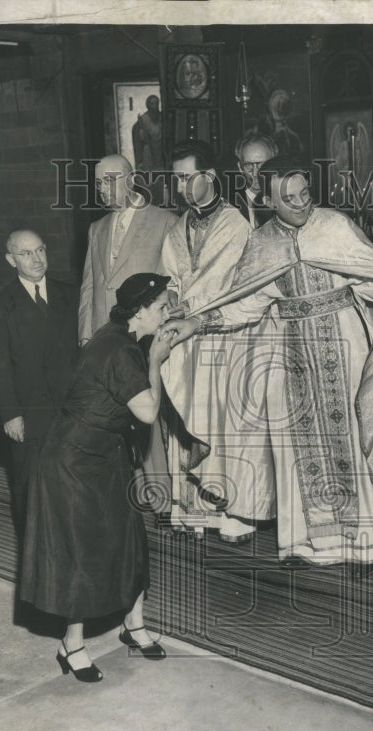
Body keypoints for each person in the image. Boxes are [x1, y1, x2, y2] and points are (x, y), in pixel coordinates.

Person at [165, 158, 373, 572]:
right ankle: (305, 543)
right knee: (294, 442)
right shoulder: (261, 243)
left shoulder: (333, 225)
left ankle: (363, 541)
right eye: (288, 199)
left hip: (344, 342)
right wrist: (196, 321)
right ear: (268, 200)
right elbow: (244, 302)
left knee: (348, 433)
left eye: (305, 195)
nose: (300, 205)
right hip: (288, 348)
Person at [20, 274, 175, 682]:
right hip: (71, 463)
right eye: (162, 306)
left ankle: (134, 625)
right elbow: (146, 413)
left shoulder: (118, 336)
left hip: (103, 457)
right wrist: (157, 359)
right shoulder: (120, 349)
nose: (167, 312)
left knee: (130, 541)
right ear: (141, 310)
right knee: (81, 553)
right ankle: (71, 645)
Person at [160, 139, 270, 542]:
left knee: (226, 424)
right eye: (176, 178)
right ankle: (193, 507)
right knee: (187, 417)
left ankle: (234, 508)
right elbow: (172, 274)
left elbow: (220, 283)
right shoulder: (179, 226)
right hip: (187, 335)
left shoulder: (234, 223)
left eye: (187, 177)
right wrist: (169, 296)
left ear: (209, 177)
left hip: (225, 334)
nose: (181, 186)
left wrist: (183, 303)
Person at [0, 229, 79, 538]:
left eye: (40, 250)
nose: (36, 259)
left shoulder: (72, 294)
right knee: (30, 487)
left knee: (73, 480)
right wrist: (11, 413)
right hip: (29, 411)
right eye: (26, 253)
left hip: (71, 408)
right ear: (11, 260)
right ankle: (35, 551)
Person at [79, 155, 177, 345]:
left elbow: (172, 286)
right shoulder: (96, 229)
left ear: (131, 180)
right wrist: (85, 336)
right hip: (102, 337)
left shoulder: (165, 221)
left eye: (109, 181)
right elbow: (88, 288)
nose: (102, 189)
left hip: (144, 337)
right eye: (99, 183)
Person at [230, 133, 278, 229]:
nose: (256, 173)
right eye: (248, 165)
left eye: (262, 165)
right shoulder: (229, 205)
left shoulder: (289, 198)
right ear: (240, 167)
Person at [132, 95, 164, 173]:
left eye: (156, 103)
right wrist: (139, 162)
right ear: (148, 105)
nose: (154, 106)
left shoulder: (163, 117)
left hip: (161, 155)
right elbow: (138, 144)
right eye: (152, 104)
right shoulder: (142, 121)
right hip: (148, 155)